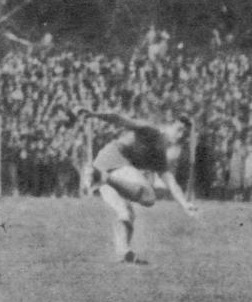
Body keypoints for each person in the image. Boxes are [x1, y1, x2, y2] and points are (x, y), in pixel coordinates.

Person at [79, 108, 197, 265]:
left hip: (102, 166)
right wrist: (95, 114)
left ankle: (124, 253)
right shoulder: (151, 132)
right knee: (148, 196)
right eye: (179, 129)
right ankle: (102, 176)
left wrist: (185, 204)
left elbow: (170, 181)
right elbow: (121, 119)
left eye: (185, 134)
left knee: (126, 213)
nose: (181, 135)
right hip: (113, 159)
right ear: (168, 125)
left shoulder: (160, 156)